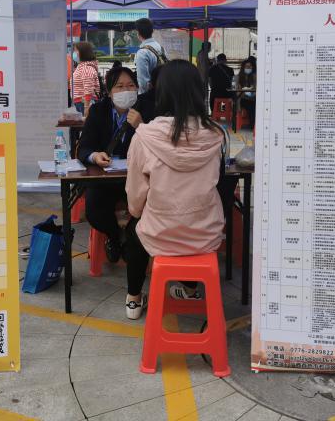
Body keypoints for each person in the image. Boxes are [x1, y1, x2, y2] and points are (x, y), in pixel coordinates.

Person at [123, 60, 225, 319]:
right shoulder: (216, 135)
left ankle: (134, 298)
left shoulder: (145, 136)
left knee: (133, 230)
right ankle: (190, 290)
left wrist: (139, 212)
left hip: (160, 234)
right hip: (206, 234)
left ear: (162, 92)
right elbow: (220, 183)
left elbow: (135, 197)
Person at [77, 67, 149, 263]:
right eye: (119, 86)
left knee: (149, 207)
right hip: (104, 179)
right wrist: (95, 156)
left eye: (131, 86)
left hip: (137, 179)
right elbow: (84, 147)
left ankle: (133, 241)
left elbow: (158, 148)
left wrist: (142, 126)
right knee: (94, 209)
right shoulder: (98, 111)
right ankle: (115, 236)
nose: (126, 91)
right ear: (109, 92)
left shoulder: (147, 110)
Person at [134, 18, 167, 94]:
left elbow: (143, 83)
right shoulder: (161, 48)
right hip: (163, 91)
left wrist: (142, 97)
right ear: (152, 31)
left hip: (150, 96)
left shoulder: (142, 53)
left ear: (138, 33)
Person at [71, 42, 101, 115]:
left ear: (83, 52)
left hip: (84, 103)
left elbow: (88, 88)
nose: (74, 53)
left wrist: (86, 107)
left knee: (86, 121)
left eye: (75, 50)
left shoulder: (86, 68)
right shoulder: (82, 66)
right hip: (81, 102)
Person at [236, 58, 256, 128]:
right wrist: (244, 92)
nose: (248, 68)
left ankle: (254, 124)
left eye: (250, 66)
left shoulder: (254, 76)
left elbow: (256, 87)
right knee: (251, 105)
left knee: (254, 103)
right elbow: (237, 91)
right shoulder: (239, 77)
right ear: (243, 68)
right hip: (243, 98)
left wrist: (252, 93)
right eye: (247, 67)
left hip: (253, 98)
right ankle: (253, 125)